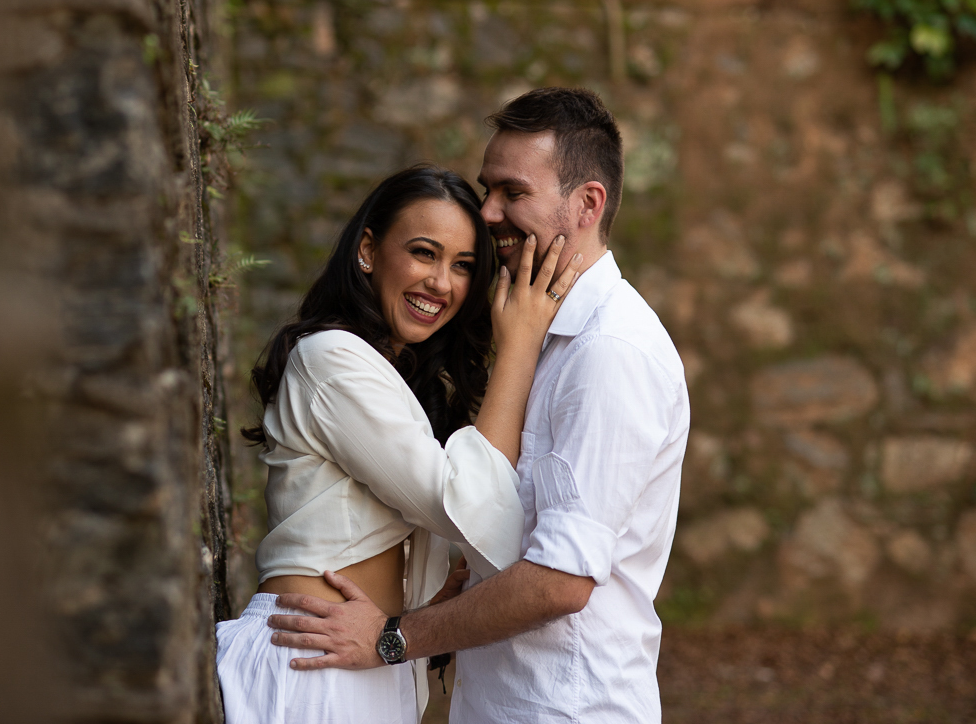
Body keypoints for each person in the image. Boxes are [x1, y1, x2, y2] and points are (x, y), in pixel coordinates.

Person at [267, 88, 691, 724]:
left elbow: (560, 580)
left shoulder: (610, 353)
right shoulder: (539, 337)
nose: (488, 211)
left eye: (512, 193)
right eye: (487, 188)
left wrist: (394, 637)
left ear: (587, 204)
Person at [218, 164, 584, 724]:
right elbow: (455, 499)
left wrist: (423, 608)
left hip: (366, 657)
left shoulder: (395, 382)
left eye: (463, 266)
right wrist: (520, 345)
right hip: (311, 659)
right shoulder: (331, 358)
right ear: (368, 249)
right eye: (423, 252)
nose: (442, 283)